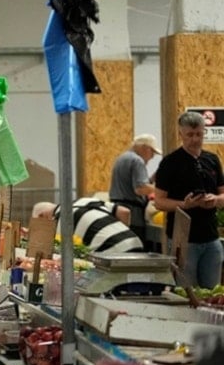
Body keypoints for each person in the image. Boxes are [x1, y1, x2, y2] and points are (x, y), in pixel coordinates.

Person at [154, 111, 224, 288]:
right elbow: (159, 202)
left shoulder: (212, 160)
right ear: (181, 134)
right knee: (187, 292)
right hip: (183, 240)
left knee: (212, 292)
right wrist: (184, 205)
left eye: (199, 134)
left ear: (204, 132)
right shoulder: (170, 163)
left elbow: (223, 194)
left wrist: (215, 199)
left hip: (211, 238)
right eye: (190, 135)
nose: (195, 139)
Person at [31, 197, 144, 255]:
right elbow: (124, 212)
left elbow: (62, 255)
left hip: (112, 255)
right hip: (136, 243)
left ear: (42, 216)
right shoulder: (85, 200)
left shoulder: (61, 218)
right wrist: (120, 236)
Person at [109, 134, 160, 249]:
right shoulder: (137, 161)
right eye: (152, 153)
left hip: (117, 211)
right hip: (133, 216)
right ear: (146, 148)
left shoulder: (122, 158)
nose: (152, 157)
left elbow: (131, 185)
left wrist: (152, 179)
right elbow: (140, 189)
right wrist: (160, 190)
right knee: (136, 250)